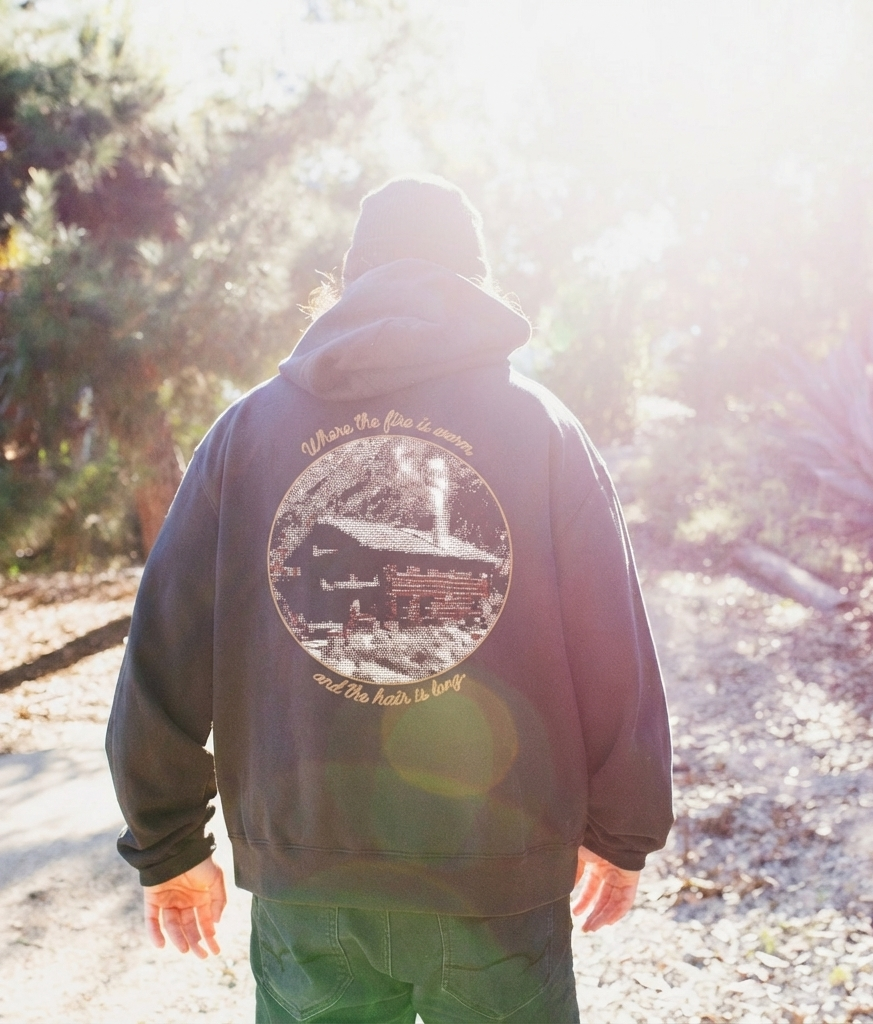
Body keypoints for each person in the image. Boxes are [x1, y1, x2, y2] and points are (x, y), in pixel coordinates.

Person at [107, 175, 674, 1023]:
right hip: (497, 876)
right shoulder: (542, 427)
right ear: (475, 284)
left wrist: (167, 844)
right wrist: (623, 829)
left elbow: (163, 645)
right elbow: (612, 645)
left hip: (310, 880)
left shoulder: (249, 431)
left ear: (346, 284)